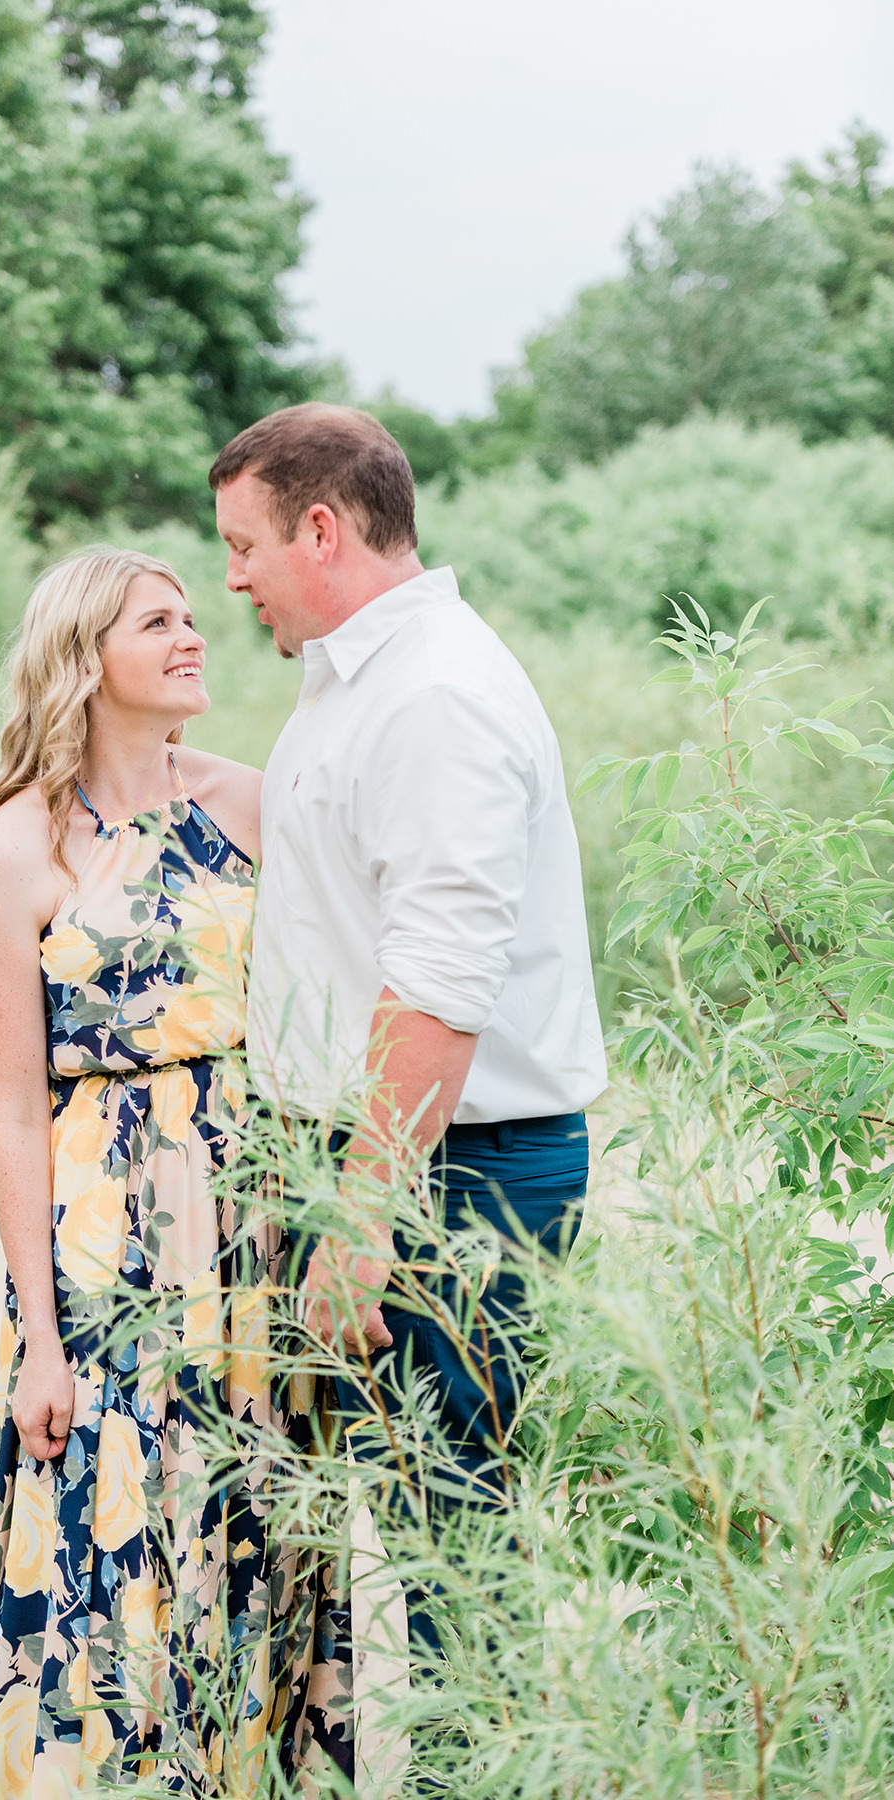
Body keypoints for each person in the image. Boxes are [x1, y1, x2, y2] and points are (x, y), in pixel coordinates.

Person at [0, 547, 351, 1796]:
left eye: (192, 615)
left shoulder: (249, 800)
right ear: (85, 659)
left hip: (258, 1233)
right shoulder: (16, 852)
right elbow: (13, 1113)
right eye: (158, 622)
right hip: (104, 1246)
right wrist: (40, 1341)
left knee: (258, 1526)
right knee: (112, 1532)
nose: (193, 637)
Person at [210, 404, 608, 1651]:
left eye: (242, 547)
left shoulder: (435, 695)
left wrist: (358, 1220)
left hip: (452, 1177)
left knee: (455, 1553)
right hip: (396, 1165)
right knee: (398, 1535)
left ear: (318, 530)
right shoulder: (362, 680)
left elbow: (436, 988)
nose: (232, 579)